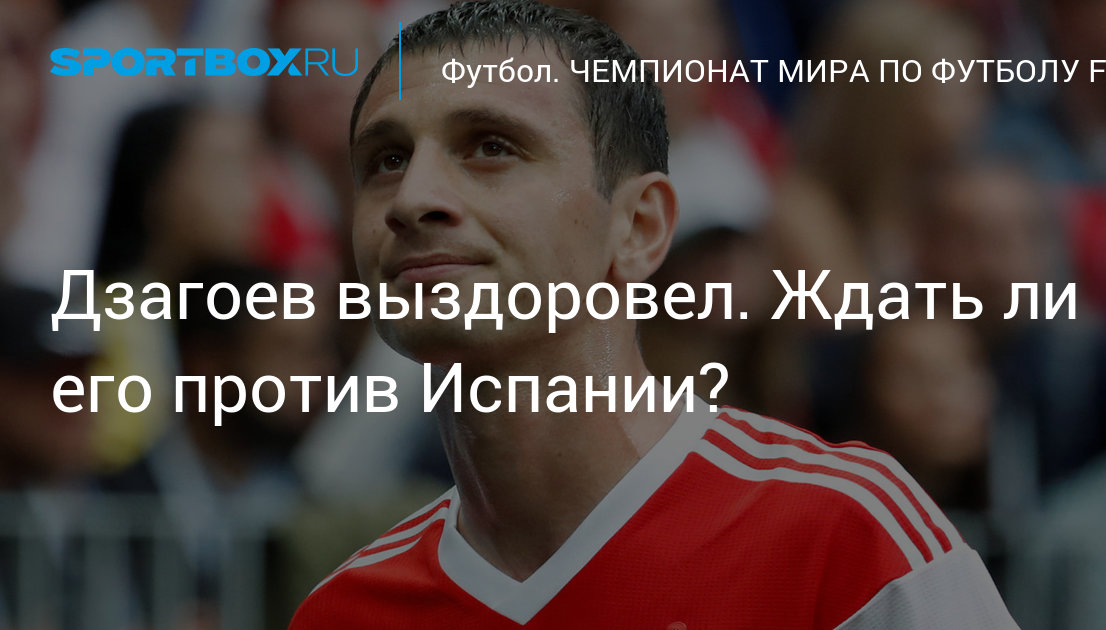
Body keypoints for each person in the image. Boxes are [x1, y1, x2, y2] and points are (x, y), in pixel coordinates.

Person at [289, 1, 1019, 627]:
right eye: (386, 160)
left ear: (638, 227)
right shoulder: (342, 614)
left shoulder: (849, 538)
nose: (413, 198)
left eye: (490, 146)